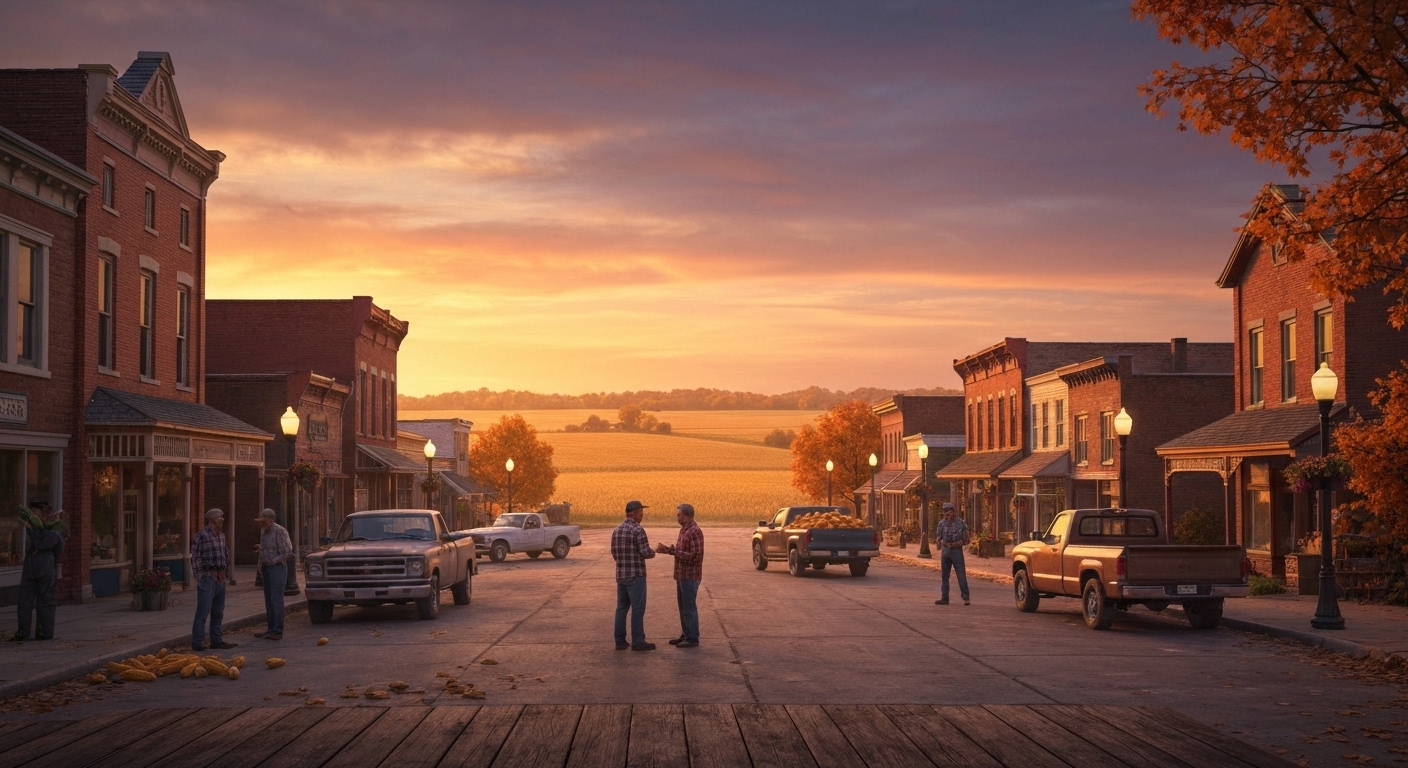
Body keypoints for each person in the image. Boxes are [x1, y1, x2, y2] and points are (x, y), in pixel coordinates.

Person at [13, 501, 63, 641]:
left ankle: (45, 632)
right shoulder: (38, 529)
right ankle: (23, 631)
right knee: (25, 601)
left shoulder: (54, 531)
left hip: (45, 567)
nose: (33, 516)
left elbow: (42, 543)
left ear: (44, 514)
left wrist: (30, 528)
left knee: (46, 601)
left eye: (35, 513)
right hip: (31, 565)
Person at [656, 503, 703, 648]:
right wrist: (672, 550)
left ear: (688, 515)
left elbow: (696, 556)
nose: (677, 517)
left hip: (690, 575)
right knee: (683, 607)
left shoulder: (694, 531)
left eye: (679, 514)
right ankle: (686, 634)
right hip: (682, 575)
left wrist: (673, 552)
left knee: (689, 607)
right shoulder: (684, 530)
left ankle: (692, 637)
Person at [611, 500, 656, 651]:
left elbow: (614, 554)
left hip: (621, 574)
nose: (642, 515)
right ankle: (638, 641)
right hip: (636, 575)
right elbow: (645, 553)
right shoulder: (638, 530)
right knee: (638, 609)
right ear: (635, 513)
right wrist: (654, 551)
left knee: (621, 607)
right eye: (641, 512)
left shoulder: (617, 530)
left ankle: (620, 641)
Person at [191, 508, 237, 651]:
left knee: (218, 611)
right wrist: (199, 575)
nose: (222, 519)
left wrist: (227, 574)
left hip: (220, 577)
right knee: (203, 611)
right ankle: (197, 642)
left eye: (222, 517)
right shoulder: (201, 536)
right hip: (207, 576)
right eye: (219, 517)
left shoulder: (221, 536)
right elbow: (196, 556)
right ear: (211, 519)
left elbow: (225, 555)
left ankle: (216, 640)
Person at [255, 508, 293, 640]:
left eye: (263, 521)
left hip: (277, 568)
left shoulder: (280, 531)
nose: (260, 523)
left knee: (276, 599)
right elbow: (263, 550)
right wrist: (260, 566)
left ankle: (277, 630)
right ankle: (270, 629)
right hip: (266, 568)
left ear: (270, 520)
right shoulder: (264, 532)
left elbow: (287, 551)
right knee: (269, 599)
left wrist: (273, 560)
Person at [934, 502, 971, 606]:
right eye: (945, 511)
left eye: (949, 511)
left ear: (953, 512)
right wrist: (940, 543)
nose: (947, 513)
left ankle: (966, 597)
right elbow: (938, 537)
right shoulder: (942, 524)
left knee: (961, 575)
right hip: (945, 551)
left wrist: (960, 542)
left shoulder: (961, 523)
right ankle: (944, 597)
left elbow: (966, 538)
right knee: (944, 576)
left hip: (956, 551)